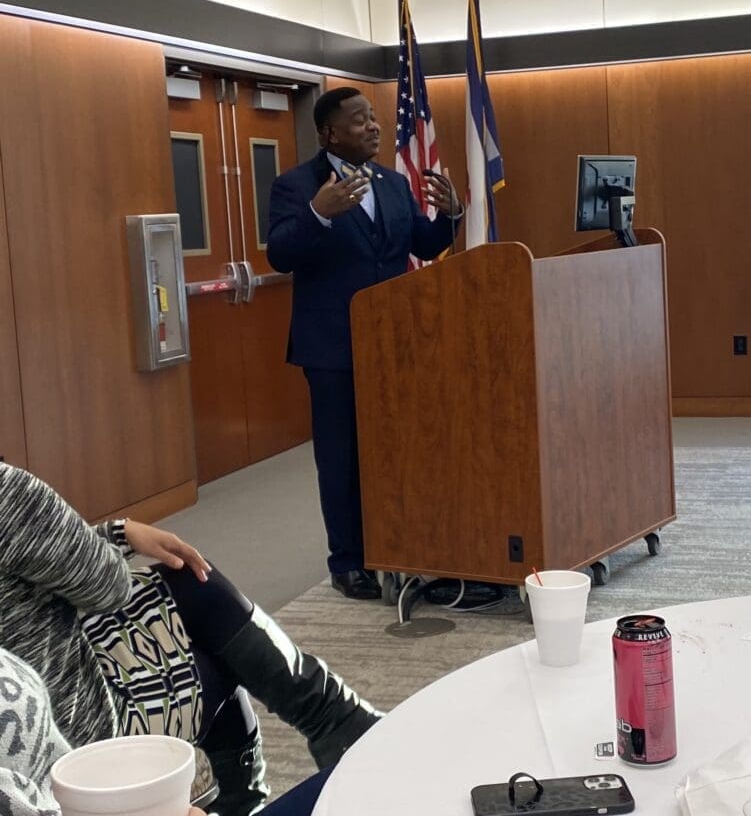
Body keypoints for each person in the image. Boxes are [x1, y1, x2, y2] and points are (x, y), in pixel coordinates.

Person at [0, 460, 383, 816]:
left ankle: (334, 723)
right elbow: (108, 586)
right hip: (86, 748)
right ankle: (334, 725)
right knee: (207, 643)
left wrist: (119, 533)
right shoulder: (7, 493)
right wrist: (118, 536)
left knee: (184, 586)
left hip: (40, 727)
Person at [266, 87, 462, 600]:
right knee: (341, 455)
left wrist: (451, 216)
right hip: (331, 348)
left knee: (400, 448)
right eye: (359, 121)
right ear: (329, 133)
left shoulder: (394, 183)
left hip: (396, 344)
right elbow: (280, 256)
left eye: (373, 118)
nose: (373, 127)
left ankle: (399, 541)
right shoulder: (296, 186)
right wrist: (318, 214)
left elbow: (424, 242)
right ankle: (347, 560)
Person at [0, 646, 331, 816]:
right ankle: (329, 715)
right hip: (99, 719)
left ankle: (329, 715)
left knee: (194, 588)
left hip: (94, 751)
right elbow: (105, 581)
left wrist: (121, 534)